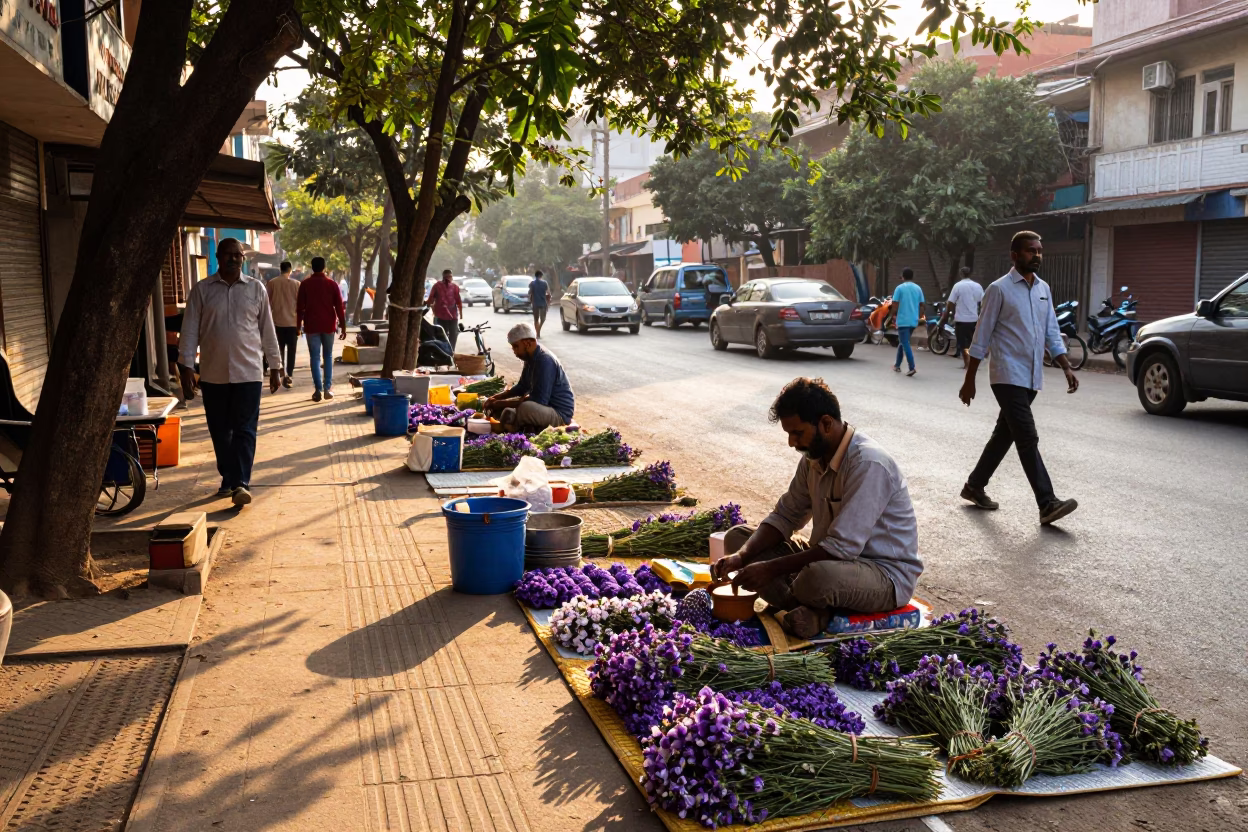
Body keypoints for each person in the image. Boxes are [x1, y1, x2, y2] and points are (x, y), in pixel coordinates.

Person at [710, 378, 922, 639]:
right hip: (829, 561)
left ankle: (815, 611)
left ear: (825, 423)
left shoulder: (868, 464)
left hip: (883, 575)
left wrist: (770, 569)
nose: (791, 442)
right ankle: (808, 608)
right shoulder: (812, 458)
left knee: (815, 578)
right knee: (738, 539)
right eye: (789, 434)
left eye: (797, 433)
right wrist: (742, 558)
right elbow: (786, 515)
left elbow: (841, 548)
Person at [959, 230, 1079, 526]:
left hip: (1031, 376)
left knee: (1005, 434)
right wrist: (970, 378)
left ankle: (974, 486)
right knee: (1027, 436)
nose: (1036, 255)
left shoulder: (1043, 289)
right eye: (1030, 251)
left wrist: (1065, 365)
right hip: (1006, 374)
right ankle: (1047, 503)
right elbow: (981, 335)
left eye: (1039, 250)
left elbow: (1051, 330)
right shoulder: (998, 289)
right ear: (1014, 255)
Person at [178, 237, 282, 507]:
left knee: (245, 429)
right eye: (228, 254)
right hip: (213, 374)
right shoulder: (202, 290)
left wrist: (275, 366)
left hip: (249, 372)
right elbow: (189, 330)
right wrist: (186, 366)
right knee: (220, 430)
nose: (234, 259)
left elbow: (267, 330)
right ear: (218, 256)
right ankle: (229, 475)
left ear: (243, 259)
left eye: (238, 255)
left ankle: (240, 483)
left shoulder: (256, 289)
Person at [482, 322, 575, 432]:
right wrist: (496, 398)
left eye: (516, 347)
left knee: (525, 408)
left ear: (527, 343)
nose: (515, 352)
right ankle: (513, 428)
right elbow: (521, 387)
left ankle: (516, 433)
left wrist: (501, 403)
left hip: (559, 414)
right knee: (508, 410)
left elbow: (539, 400)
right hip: (545, 408)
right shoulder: (530, 359)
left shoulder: (545, 361)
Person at [296, 256, 347, 402]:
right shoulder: (332, 284)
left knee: (314, 357)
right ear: (324, 267)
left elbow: (300, 308)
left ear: (312, 267)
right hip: (328, 325)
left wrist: (298, 326)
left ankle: (317, 389)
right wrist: (343, 326)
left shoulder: (305, 284)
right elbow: (339, 307)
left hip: (311, 326)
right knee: (328, 356)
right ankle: (327, 388)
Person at [266, 260, 299, 388]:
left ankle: (281, 372)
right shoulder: (297, 284)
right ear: (290, 270)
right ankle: (289, 375)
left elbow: (267, 304)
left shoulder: (272, 283)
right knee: (292, 351)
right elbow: (301, 305)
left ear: (280, 269)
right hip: (292, 323)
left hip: (277, 323)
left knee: (278, 351)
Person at [945, 266, 985, 369]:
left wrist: (948, 313)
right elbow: (983, 302)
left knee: (963, 344)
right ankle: (972, 362)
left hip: (961, 319)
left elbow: (950, 302)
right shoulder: (977, 286)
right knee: (972, 342)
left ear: (961, 274)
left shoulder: (957, 286)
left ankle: (967, 363)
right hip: (974, 319)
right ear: (970, 274)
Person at [891, 268, 924, 376]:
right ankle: (897, 365)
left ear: (903, 277)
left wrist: (891, 316)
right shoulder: (918, 288)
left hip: (903, 320)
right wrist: (919, 317)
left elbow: (895, 304)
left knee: (905, 343)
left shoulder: (899, 288)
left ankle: (912, 367)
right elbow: (922, 305)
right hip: (913, 321)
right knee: (902, 341)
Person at [428, 269, 463, 351]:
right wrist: (461, 314)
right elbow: (459, 302)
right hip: (447, 316)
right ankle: (450, 352)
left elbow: (430, 300)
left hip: (444, 316)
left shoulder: (437, 286)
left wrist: (427, 303)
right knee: (451, 335)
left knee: (442, 335)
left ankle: (445, 352)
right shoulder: (453, 287)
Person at [528, 270, 552, 338]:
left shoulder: (532, 283)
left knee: (536, 319)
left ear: (535, 276)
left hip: (535, 304)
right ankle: (538, 332)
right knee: (543, 319)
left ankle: (537, 332)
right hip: (543, 303)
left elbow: (529, 293)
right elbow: (549, 293)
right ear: (541, 276)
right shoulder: (545, 283)